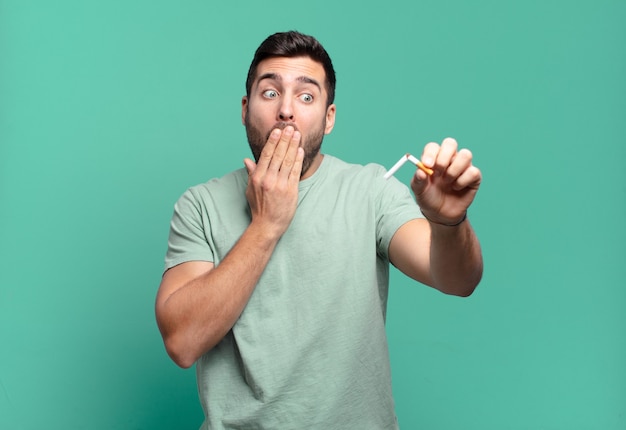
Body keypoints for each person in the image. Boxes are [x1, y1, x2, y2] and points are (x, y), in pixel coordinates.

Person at [155, 30, 483, 429]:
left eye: (306, 96)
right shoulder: (200, 205)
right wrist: (266, 226)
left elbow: (457, 279)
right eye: (270, 92)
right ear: (245, 108)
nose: (287, 111)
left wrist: (450, 222)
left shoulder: (371, 190)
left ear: (329, 118)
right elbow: (182, 343)